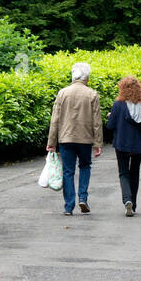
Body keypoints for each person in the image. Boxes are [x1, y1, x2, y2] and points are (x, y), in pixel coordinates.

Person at [46, 62, 102, 215]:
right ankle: (82, 198)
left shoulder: (62, 93)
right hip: (85, 139)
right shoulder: (92, 94)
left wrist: (51, 142)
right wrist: (98, 143)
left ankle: (68, 206)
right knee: (85, 167)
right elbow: (97, 122)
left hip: (66, 138)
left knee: (68, 171)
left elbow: (55, 120)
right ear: (86, 77)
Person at [106, 75, 141, 217]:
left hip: (121, 144)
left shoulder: (118, 105)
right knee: (135, 173)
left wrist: (111, 117)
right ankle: (133, 204)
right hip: (138, 146)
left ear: (122, 89)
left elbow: (110, 126)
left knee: (123, 173)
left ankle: (127, 200)